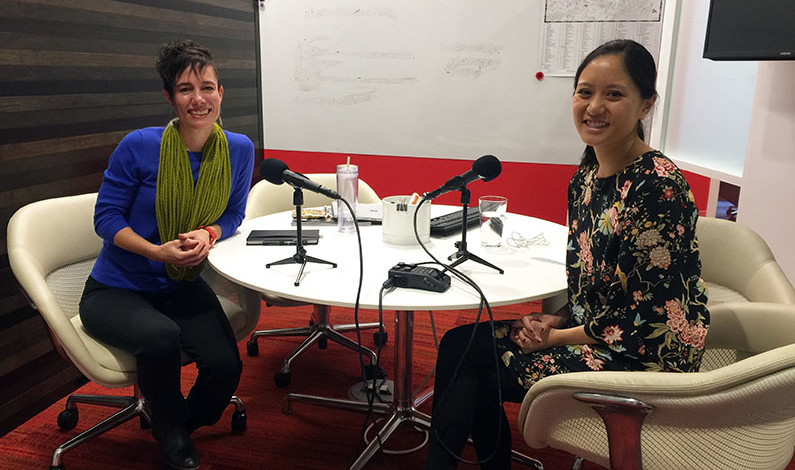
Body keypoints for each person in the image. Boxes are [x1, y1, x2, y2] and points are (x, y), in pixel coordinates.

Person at [424, 39, 710, 469]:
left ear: (645, 105)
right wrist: (556, 320)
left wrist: (554, 339)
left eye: (613, 94)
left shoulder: (657, 188)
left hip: (643, 360)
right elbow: (593, 282)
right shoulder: (588, 176)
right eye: (584, 92)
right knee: (460, 342)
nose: (594, 106)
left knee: (479, 364)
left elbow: (641, 318)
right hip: (597, 330)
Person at [79, 39, 254, 470]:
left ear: (221, 92)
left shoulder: (239, 149)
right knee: (161, 338)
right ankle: (171, 432)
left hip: (180, 285)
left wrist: (209, 232)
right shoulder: (140, 145)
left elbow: (234, 212)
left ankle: (176, 422)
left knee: (224, 367)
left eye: (208, 87)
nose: (199, 99)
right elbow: (105, 219)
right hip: (115, 290)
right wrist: (158, 251)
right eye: (185, 89)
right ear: (169, 98)